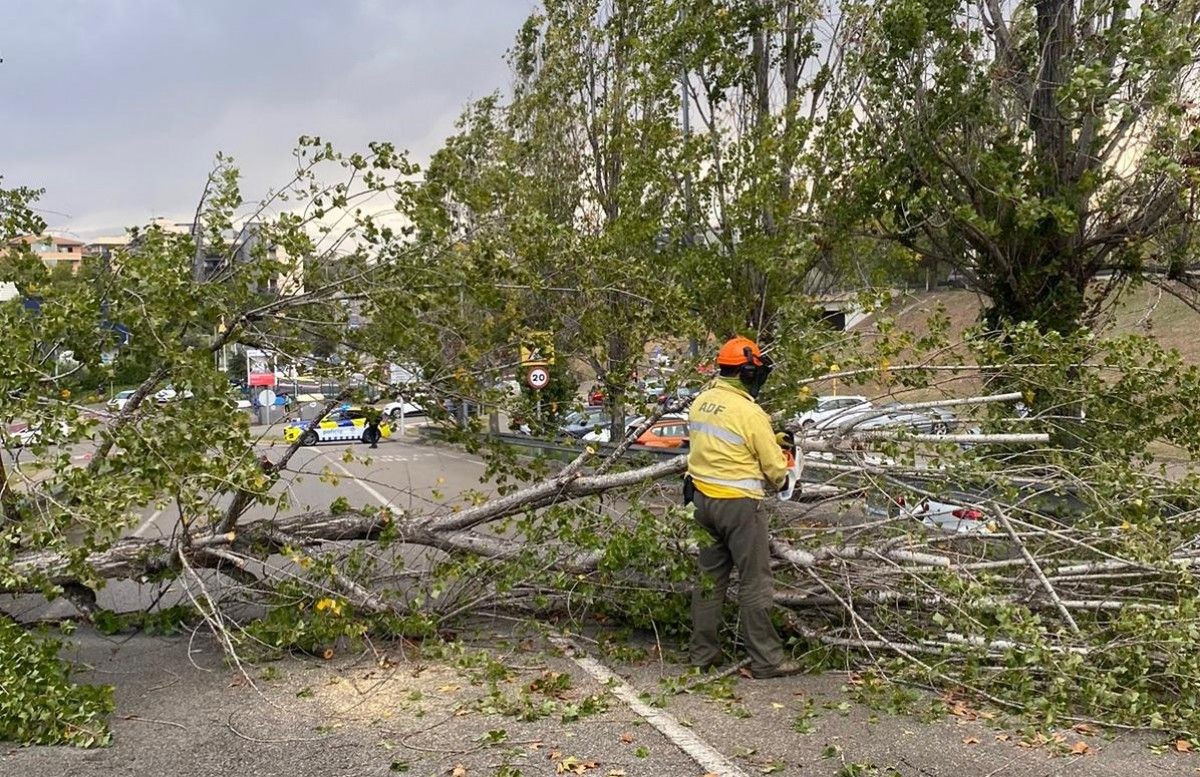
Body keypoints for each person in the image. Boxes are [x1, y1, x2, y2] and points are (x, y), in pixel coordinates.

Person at [685, 335, 800, 679]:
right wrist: (786, 473)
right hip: (738, 506)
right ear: (748, 374)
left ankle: (702, 655)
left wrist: (770, 438)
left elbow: (726, 441)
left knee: (709, 580)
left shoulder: (702, 401)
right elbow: (774, 470)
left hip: (702, 501)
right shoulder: (750, 412)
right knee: (754, 582)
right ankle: (767, 659)